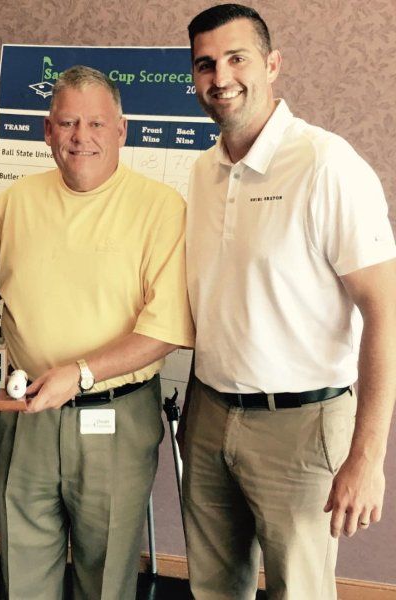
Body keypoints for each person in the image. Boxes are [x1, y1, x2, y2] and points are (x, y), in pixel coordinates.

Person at [181, 4, 396, 599]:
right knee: (212, 589)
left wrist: (367, 457)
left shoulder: (327, 164)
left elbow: (385, 311)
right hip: (209, 417)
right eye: (205, 64)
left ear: (272, 64)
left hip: (301, 427)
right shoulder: (202, 171)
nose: (221, 77)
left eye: (237, 58)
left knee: (298, 590)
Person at [0, 65, 194, 599]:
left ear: (121, 130)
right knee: (22, 574)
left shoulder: (161, 208)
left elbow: (166, 330)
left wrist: (78, 373)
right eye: (68, 123)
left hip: (116, 417)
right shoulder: (12, 203)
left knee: (105, 579)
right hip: (25, 413)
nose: (82, 137)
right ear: (47, 130)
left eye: (97, 123)